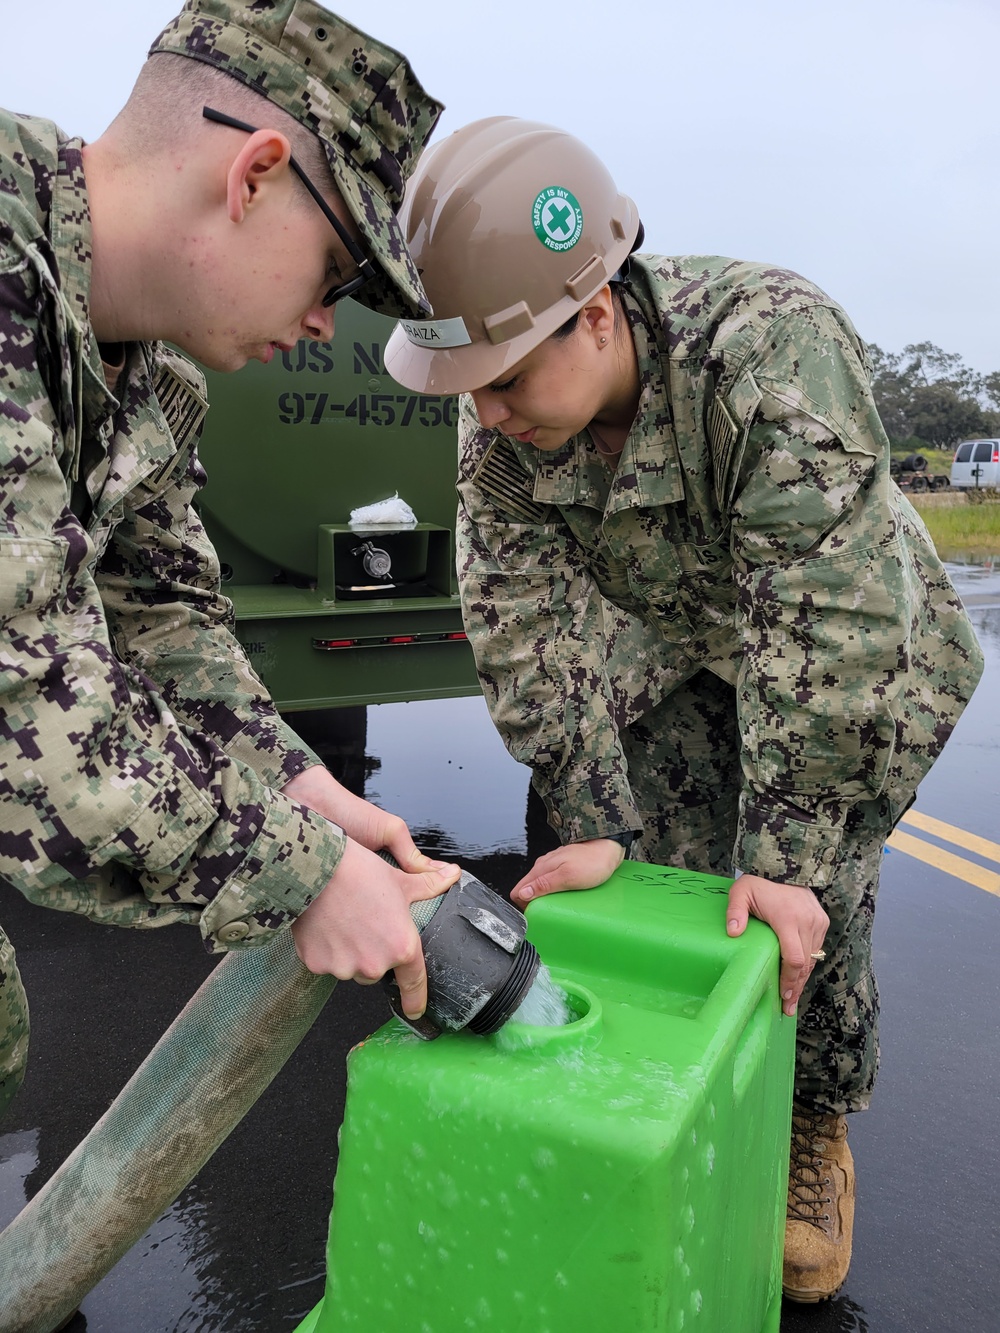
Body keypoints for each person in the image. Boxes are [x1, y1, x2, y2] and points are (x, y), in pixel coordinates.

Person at [383, 116, 984, 1303]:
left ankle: (812, 1117)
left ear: (596, 311)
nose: (487, 413)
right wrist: (593, 811)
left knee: (803, 901)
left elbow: (830, 632)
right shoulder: (501, 417)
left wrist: (791, 859)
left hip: (851, 652)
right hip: (673, 649)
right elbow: (517, 622)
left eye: (502, 381)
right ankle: (685, 1097)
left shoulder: (769, 352)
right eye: (469, 388)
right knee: (653, 876)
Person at [0, 0, 462, 1127]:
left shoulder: (152, 381)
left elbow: (165, 623)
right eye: (337, 273)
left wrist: (298, 783)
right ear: (253, 175)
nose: (323, 324)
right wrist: (299, 871)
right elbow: (28, 697)